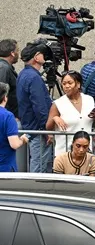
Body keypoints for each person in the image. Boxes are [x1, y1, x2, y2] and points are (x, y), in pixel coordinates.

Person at [16, 44, 54, 173]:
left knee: (37, 162)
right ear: (37, 57)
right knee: (40, 165)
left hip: (31, 126)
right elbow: (40, 106)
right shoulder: (34, 77)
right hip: (38, 129)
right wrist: (47, 129)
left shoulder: (23, 74)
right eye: (43, 54)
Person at [46, 71, 94, 158]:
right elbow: (48, 127)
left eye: (70, 83)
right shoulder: (58, 103)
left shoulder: (89, 100)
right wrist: (55, 118)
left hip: (86, 151)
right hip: (65, 152)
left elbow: (93, 123)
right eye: (64, 84)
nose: (66, 86)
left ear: (78, 84)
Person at [0, 83, 26, 173]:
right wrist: (22, 139)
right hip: (5, 166)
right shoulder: (8, 116)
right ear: (5, 98)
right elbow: (14, 144)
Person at [0, 40, 20, 115]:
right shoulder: (3, 68)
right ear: (12, 53)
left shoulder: (4, 67)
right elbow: (1, 94)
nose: (18, 53)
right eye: (17, 50)